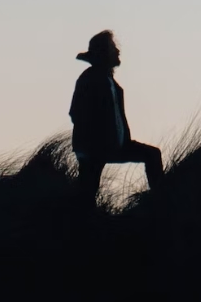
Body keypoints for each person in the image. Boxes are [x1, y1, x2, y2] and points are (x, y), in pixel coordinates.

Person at [69, 30, 163, 208]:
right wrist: (95, 141)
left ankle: (160, 201)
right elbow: (76, 113)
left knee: (152, 154)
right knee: (86, 193)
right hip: (94, 148)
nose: (118, 51)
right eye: (113, 48)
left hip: (116, 145)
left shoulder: (109, 81)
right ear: (104, 53)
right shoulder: (89, 79)